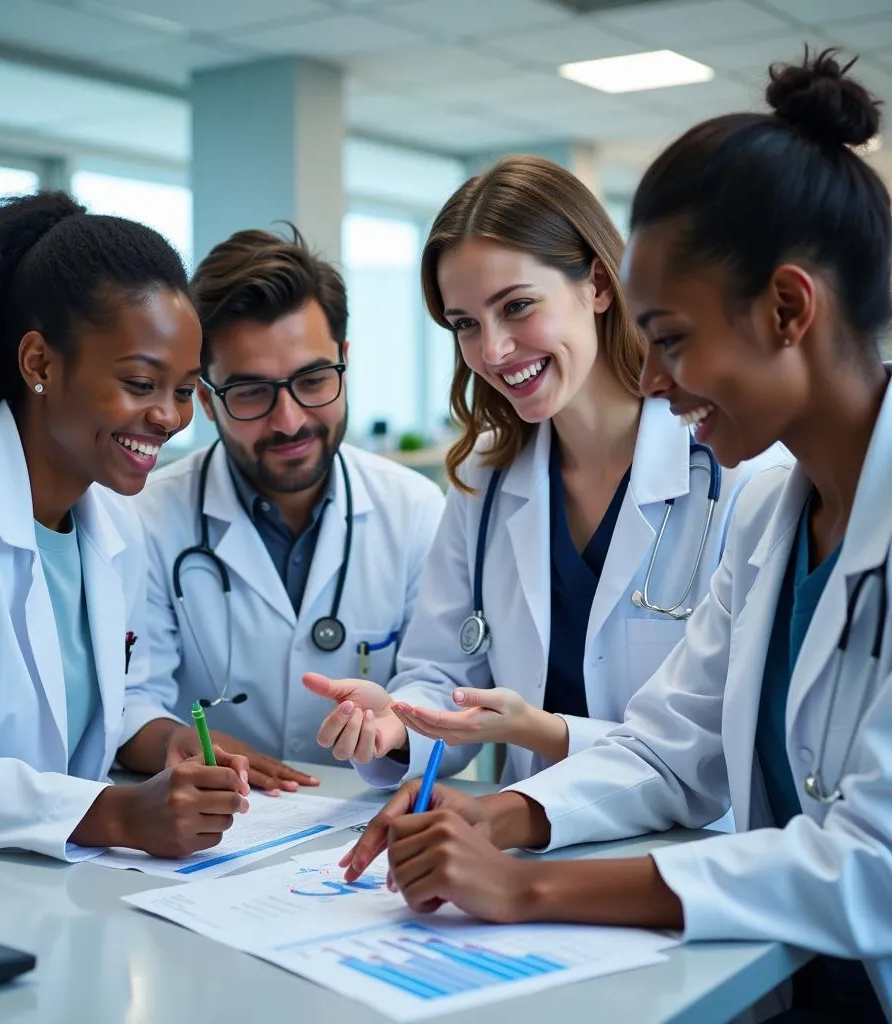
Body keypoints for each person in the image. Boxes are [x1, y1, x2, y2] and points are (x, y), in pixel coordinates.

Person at [341, 51, 892, 1021]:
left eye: (670, 339)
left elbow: (869, 865)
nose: (651, 378)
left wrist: (525, 885)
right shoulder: (777, 516)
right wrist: (494, 813)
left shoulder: (747, 491)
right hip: (776, 980)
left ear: (788, 308)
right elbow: (668, 750)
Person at [305, 155, 786, 788]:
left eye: (518, 306)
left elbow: (728, 738)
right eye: (465, 325)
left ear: (598, 283)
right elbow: (443, 675)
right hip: (523, 852)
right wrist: (397, 724)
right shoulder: (485, 479)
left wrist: (546, 733)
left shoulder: (741, 471)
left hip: (681, 860)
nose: (493, 350)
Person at [0, 191, 251, 862]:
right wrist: (122, 816)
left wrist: (166, 744)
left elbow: (103, 704)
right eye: (140, 382)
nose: (167, 417)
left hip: (58, 890)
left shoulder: (112, 523)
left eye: (184, 390)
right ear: (40, 363)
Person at [134, 226, 445, 791]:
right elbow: (133, 696)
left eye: (312, 379)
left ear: (344, 362)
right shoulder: (149, 517)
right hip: (210, 830)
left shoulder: (416, 510)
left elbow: (443, 689)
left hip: (366, 833)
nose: (290, 420)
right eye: (252, 392)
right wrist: (174, 741)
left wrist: (397, 730)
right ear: (205, 397)